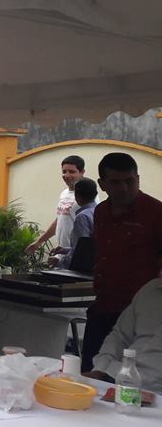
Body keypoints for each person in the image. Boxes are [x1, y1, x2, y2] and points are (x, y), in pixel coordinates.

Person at [81, 152, 162, 372]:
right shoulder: (100, 212)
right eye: (116, 182)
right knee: (90, 372)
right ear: (102, 184)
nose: (124, 188)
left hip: (138, 316)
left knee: (130, 377)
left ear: (138, 179)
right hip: (103, 307)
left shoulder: (156, 213)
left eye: (130, 181)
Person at [83, 276, 162, 393]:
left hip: (153, 389)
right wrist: (101, 369)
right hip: (114, 375)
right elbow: (120, 336)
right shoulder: (151, 289)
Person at [26, 155, 95, 260]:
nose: (67, 175)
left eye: (72, 172)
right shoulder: (64, 193)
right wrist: (39, 242)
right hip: (63, 252)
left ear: (82, 172)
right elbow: (60, 219)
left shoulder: (87, 195)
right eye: (64, 171)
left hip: (76, 255)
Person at [50, 178, 97, 269]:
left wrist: (60, 262)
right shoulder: (98, 211)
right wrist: (65, 250)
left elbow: (81, 251)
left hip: (82, 270)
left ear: (76, 196)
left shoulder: (82, 217)